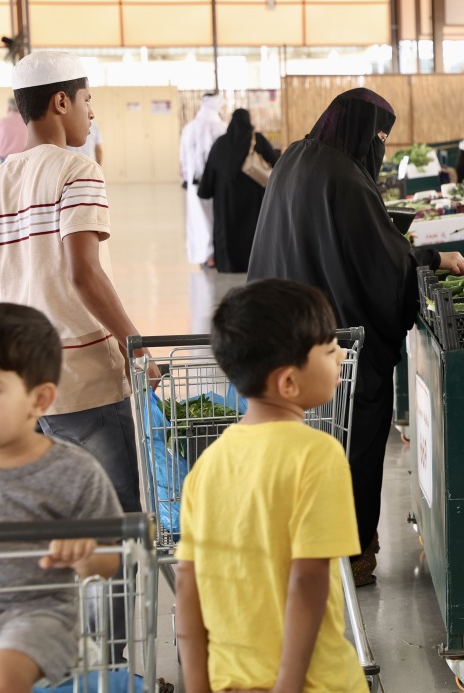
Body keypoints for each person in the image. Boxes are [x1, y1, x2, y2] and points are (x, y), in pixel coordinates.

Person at [247, 88, 464, 586]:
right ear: (360, 131)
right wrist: (432, 258)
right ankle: (350, 551)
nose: (381, 146)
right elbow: (378, 263)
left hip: (280, 325)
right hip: (333, 339)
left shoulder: (294, 160)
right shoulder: (344, 176)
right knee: (358, 432)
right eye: (380, 136)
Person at [175, 279, 364, 693]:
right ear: (288, 383)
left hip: (229, 680)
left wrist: (197, 686)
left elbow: (188, 585)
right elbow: (309, 578)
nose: (342, 355)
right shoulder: (317, 454)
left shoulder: (207, 465)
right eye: (330, 350)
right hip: (312, 682)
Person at [0, 50, 158, 513]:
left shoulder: (3, 176)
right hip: (82, 379)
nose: (92, 112)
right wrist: (137, 346)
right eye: (87, 99)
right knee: (114, 521)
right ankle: (116, 591)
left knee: (53, 522)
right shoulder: (77, 170)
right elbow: (84, 273)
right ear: (61, 102)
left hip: (23, 384)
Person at [0, 303, 122, 693]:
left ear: (39, 400)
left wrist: (86, 554)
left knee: (6, 674)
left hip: (39, 615)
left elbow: (111, 559)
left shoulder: (74, 472)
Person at [196, 109, 279, 273]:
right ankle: (254, 264)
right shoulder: (258, 141)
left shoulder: (221, 144)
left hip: (226, 201)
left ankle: (229, 264)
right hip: (254, 200)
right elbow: (276, 163)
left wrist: (205, 190)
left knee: (228, 233)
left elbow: (210, 171)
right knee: (254, 231)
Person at [180, 93, 227, 270]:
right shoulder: (220, 127)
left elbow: (183, 156)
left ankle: (205, 255)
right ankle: (215, 254)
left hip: (194, 182)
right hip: (217, 182)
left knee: (199, 219)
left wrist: (186, 177)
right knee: (215, 217)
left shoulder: (189, 128)